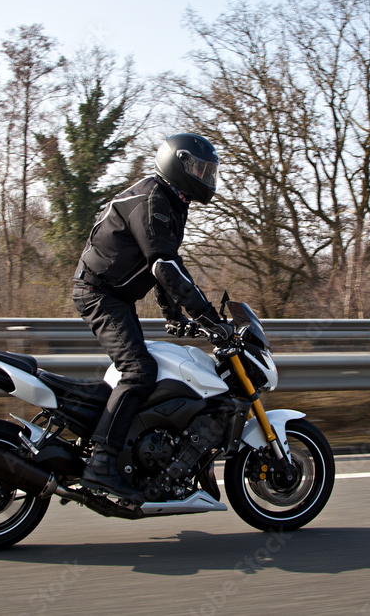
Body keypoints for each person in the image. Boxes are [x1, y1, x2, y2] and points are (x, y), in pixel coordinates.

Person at [72, 133, 233, 500]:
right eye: (200, 169)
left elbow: (164, 264)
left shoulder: (172, 201)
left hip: (114, 295)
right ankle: (101, 462)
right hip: (99, 293)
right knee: (139, 371)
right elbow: (164, 267)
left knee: (153, 368)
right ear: (178, 164)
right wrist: (207, 316)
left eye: (210, 171)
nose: (207, 177)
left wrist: (175, 316)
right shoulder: (153, 200)